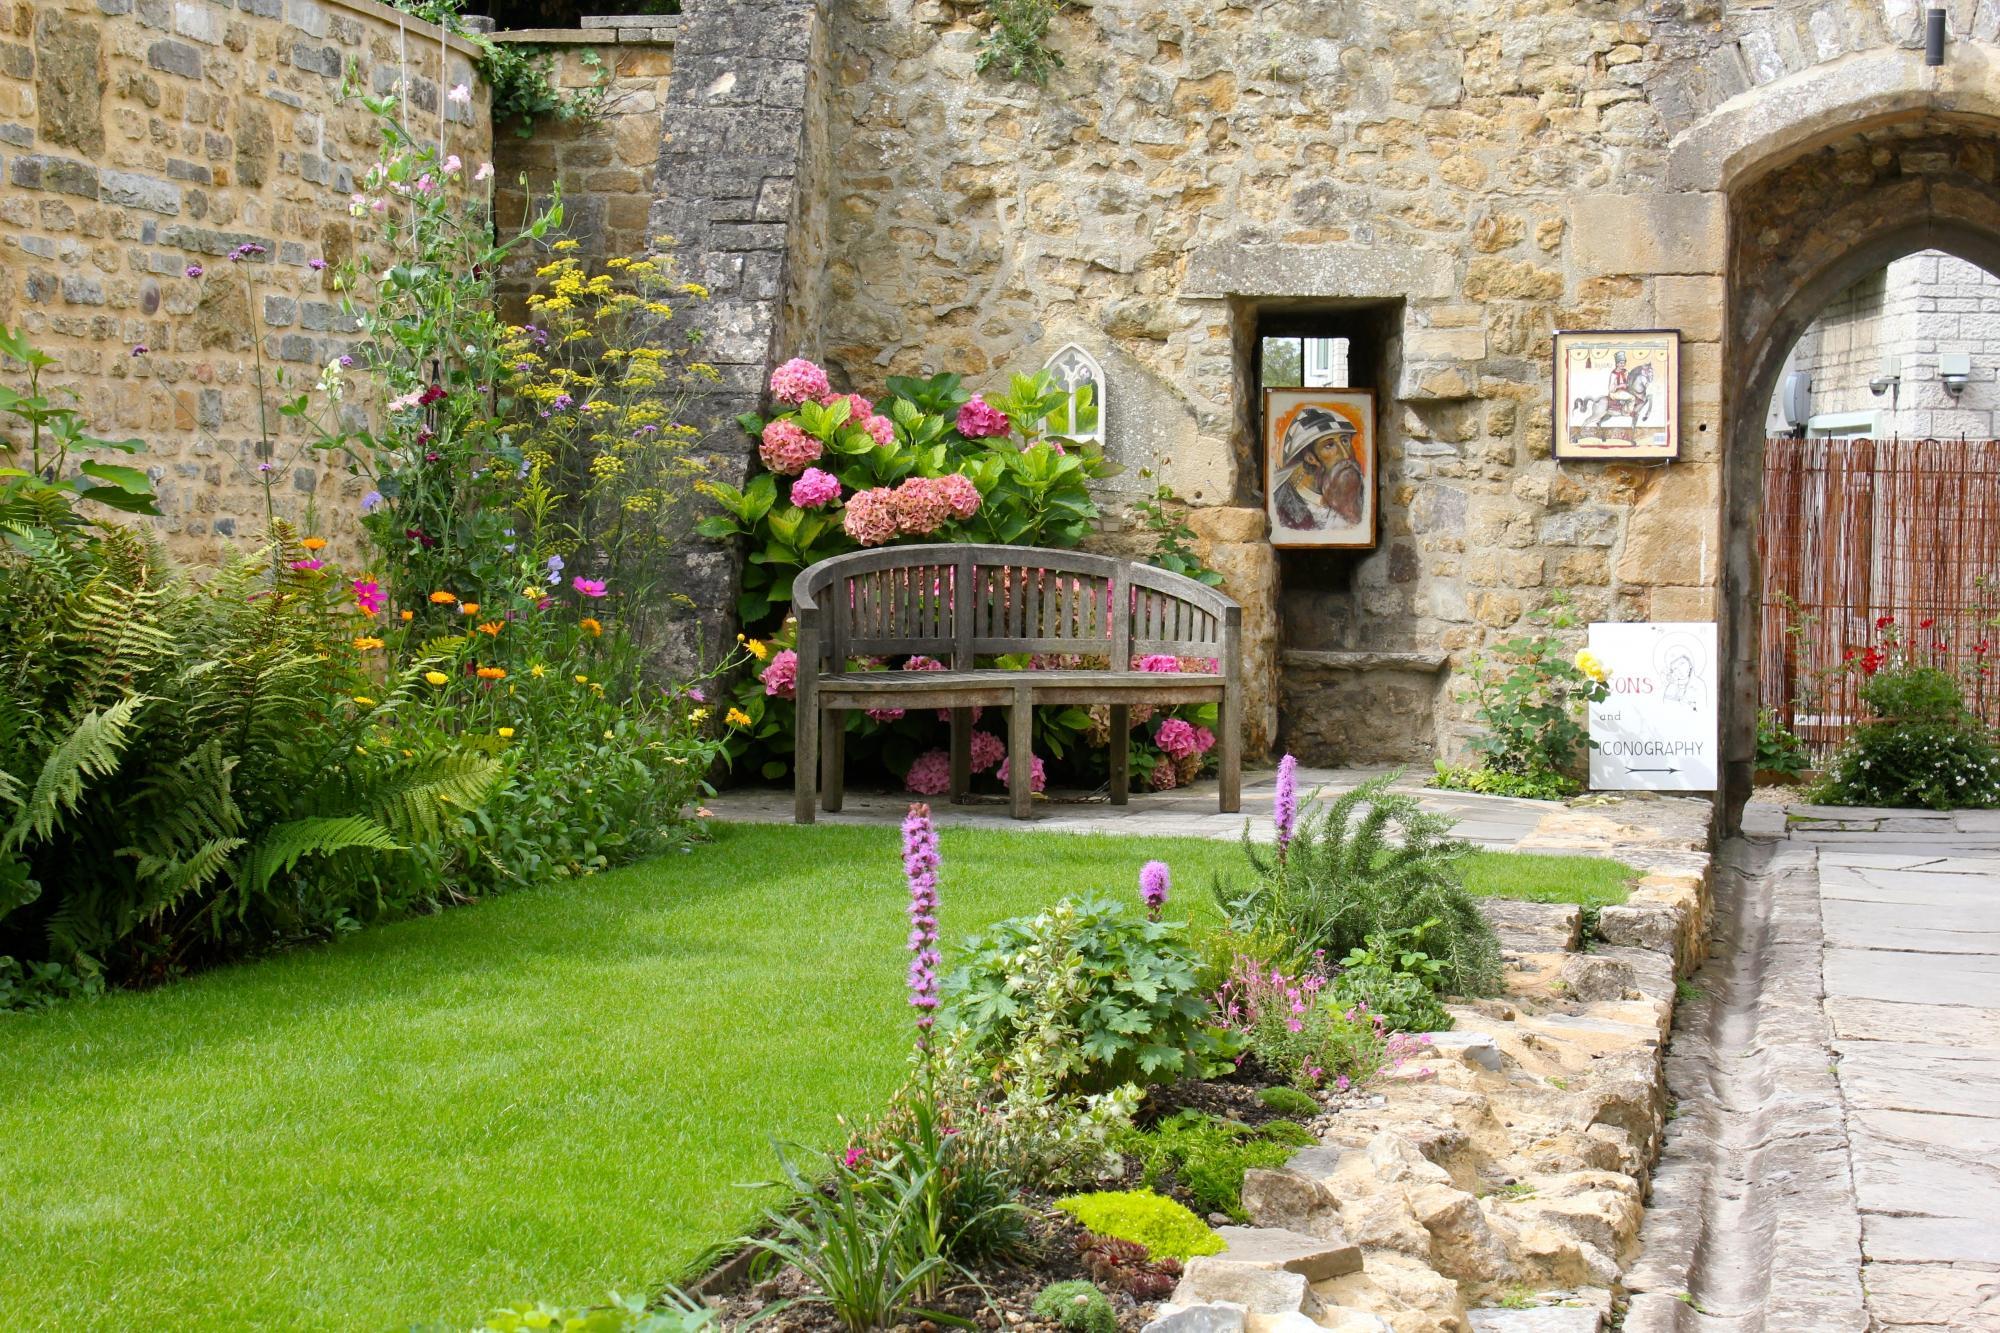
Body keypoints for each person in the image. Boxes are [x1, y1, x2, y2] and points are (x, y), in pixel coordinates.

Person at [1272, 408, 1366, 532]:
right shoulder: (1282, 503)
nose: (1345, 454)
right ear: (1310, 458)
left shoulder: (1360, 490)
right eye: (1329, 445)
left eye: (1345, 440)